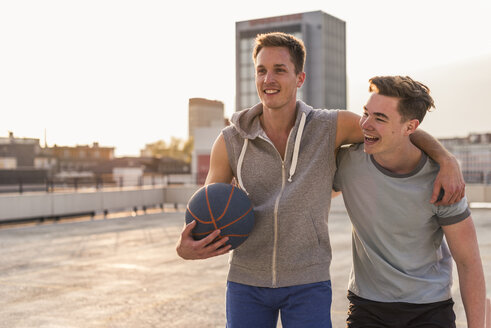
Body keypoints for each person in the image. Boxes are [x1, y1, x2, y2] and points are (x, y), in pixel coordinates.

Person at [176, 32, 465, 327]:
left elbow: (392, 126)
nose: (268, 79)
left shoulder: (329, 126)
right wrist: (187, 246)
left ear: (300, 78)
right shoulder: (230, 141)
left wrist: (445, 158)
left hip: (308, 281)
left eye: (279, 70)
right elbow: (210, 206)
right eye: (261, 70)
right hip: (246, 280)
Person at [333, 76, 486, 328]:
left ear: (409, 127)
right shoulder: (349, 162)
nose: (366, 124)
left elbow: (468, 262)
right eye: (365, 113)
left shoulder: (441, 180)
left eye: (380, 118)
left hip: (429, 309)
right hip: (367, 306)